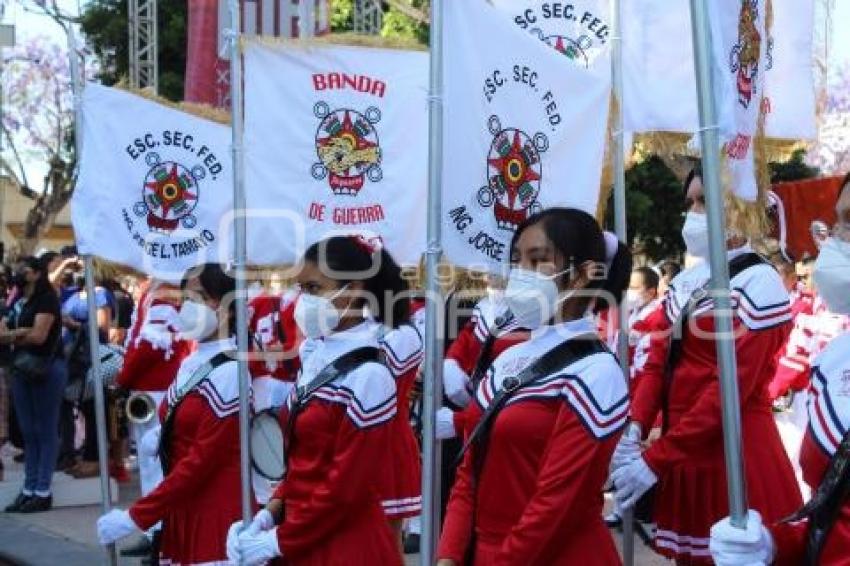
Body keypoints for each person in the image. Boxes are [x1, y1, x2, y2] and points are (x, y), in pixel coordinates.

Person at [612, 167, 803, 564]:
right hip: (683, 453)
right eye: (691, 202)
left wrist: (656, 457)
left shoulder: (760, 283)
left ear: (739, 207)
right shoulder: (687, 280)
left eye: (704, 201)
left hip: (735, 454)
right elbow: (656, 366)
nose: (693, 211)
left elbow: (730, 388)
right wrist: (635, 427)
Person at [437, 208, 632, 565]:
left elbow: (555, 503)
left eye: (537, 260)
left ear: (582, 275)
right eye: (516, 260)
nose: (519, 273)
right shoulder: (506, 360)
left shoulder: (597, 373)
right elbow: (470, 473)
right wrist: (448, 554)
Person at [228, 235, 409, 566]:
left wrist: (278, 540)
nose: (303, 300)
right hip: (302, 535)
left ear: (354, 288)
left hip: (345, 546)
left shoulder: (369, 375)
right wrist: (270, 512)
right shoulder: (316, 354)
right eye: (301, 289)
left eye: (313, 289)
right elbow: (303, 460)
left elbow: (346, 489)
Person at [709, 173, 850, 566]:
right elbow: (829, 517)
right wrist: (772, 546)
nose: (835, 241)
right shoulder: (837, 361)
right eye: (836, 223)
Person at [96, 263, 248, 565]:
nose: (188, 307)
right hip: (182, 511)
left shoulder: (232, 371)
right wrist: (161, 433)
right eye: (185, 298)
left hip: (215, 517)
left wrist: (136, 515)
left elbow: (201, 461)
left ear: (228, 308)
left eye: (199, 297)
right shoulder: (194, 361)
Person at [113, 278, 191, 559]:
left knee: (154, 463)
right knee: (152, 463)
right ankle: (154, 529)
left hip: (155, 386)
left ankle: (157, 530)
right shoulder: (160, 289)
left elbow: (149, 346)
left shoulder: (163, 293)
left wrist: (123, 378)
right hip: (155, 385)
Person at [2, 256, 67, 513]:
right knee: (28, 431)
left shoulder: (47, 299)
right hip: (21, 368)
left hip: (46, 369)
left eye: (24, 270)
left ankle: (43, 490)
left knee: (45, 429)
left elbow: (39, 336)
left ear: (37, 274)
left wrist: (13, 335)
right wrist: (18, 334)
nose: (18, 273)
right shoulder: (18, 300)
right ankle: (29, 489)